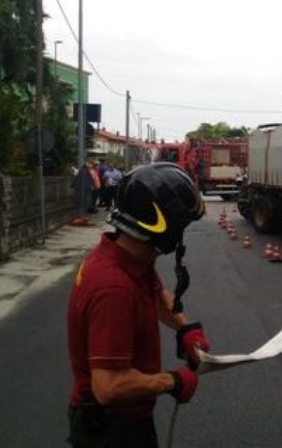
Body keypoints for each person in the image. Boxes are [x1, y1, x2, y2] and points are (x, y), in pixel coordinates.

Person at [66, 162, 209, 447]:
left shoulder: (127, 255)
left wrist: (185, 328)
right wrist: (172, 382)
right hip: (111, 431)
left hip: (127, 420)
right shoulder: (113, 288)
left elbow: (155, 292)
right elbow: (109, 386)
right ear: (164, 226)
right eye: (182, 226)